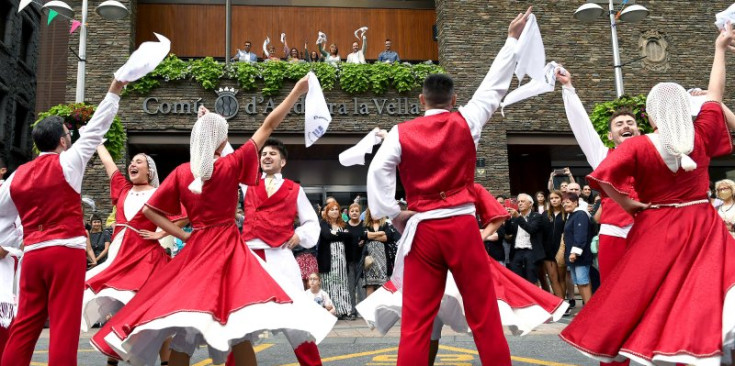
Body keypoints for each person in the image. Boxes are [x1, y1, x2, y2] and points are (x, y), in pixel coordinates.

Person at [92, 77, 334, 366]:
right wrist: (296, 91)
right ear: (220, 139)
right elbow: (268, 125)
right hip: (229, 252)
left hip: (196, 252)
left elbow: (149, 212)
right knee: (237, 328)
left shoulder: (183, 172)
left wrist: (183, 236)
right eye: (226, 133)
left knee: (186, 328)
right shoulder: (229, 166)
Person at [560, 23, 735, 365]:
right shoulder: (700, 137)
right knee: (701, 290)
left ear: (651, 118)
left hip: (657, 226)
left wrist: (628, 203)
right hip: (702, 224)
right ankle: (697, 345)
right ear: (686, 111)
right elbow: (714, 97)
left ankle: (649, 346)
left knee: (642, 295)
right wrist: (719, 49)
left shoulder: (638, 146)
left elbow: (600, 179)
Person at [365, 8, 531, 365]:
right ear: (453, 100)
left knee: (416, 323)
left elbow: (378, 170)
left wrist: (394, 213)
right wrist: (511, 39)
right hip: (461, 225)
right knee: (484, 316)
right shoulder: (467, 119)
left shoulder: (400, 132)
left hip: (423, 227)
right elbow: (495, 85)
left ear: (421, 100)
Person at [356, 181, 568, 365]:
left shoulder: (469, 188)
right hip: (430, 262)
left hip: (462, 262)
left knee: (480, 321)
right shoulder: (424, 190)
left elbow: (498, 215)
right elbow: (404, 220)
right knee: (429, 326)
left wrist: (480, 235)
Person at [0, 78, 126, 366]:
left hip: (32, 255)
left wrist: (11, 243)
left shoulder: (16, 176)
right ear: (61, 140)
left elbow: (1, 213)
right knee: (63, 326)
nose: (70, 137)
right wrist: (115, 88)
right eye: (68, 133)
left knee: (25, 325)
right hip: (65, 252)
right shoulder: (69, 161)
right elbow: (97, 127)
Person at [229, 137, 328, 366]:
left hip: (281, 257)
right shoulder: (248, 182)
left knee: (294, 319)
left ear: (283, 161)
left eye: (272, 154)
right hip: (251, 257)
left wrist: (299, 235)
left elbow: (312, 222)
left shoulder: (294, 189)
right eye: (263, 153)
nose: (266, 156)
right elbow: (232, 157)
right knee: (242, 318)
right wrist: (217, 132)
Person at [82, 143, 179, 365]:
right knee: (116, 307)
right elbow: (108, 164)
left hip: (147, 259)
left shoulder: (159, 193)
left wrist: (160, 233)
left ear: (149, 171)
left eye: (139, 162)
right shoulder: (122, 188)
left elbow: (183, 214)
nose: (133, 165)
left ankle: (165, 362)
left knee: (155, 312)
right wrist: (97, 140)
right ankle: (112, 359)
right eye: (132, 162)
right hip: (119, 257)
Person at [317, 201, 352, 318]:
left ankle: (343, 310)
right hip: (328, 259)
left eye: (337, 209)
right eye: (332, 209)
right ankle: (331, 310)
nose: (335, 211)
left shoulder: (343, 224)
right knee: (329, 283)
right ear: (327, 212)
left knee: (341, 284)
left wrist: (335, 233)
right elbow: (326, 235)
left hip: (341, 259)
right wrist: (340, 234)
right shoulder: (323, 223)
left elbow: (349, 236)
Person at [506, 193, 546, 284]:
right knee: (517, 280)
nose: (519, 203)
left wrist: (518, 217)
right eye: (518, 202)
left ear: (530, 204)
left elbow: (531, 229)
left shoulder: (537, 216)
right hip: (516, 252)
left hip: (531, 251)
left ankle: (533, 298)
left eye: (523, 201)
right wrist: (507, 218)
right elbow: (508, 232)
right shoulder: (514, 217)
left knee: (531, 279)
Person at [561, 193, 592, 305]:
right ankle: (587, 308)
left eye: (568, 202)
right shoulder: (572, 215)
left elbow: (580, 235)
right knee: (578, 282)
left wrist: (575, 252)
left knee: (583, 282)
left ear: (575, 202)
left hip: (580, 256)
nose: (565, 205)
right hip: (572, 256)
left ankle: (590, 308)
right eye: (563, 203)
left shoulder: (581, 214)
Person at [543, 190, 566, 301]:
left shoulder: (567, 213)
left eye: (556, 197)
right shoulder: (545, 214)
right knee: (553, 278)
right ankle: (561, 304)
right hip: (548, 251)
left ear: (561, 199)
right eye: (552, 198)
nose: (554, 200)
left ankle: (563, 302)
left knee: (562, 278)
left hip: (561, 250)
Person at [361, 209, 389, 296]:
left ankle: (380, 307)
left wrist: (370, 236)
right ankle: (369, 308)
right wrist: (380, 233)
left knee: (382, 284)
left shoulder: (385, 224)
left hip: (382, 258)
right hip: (369, 257)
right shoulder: (364, 224)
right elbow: (364, 235)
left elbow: (386, 238)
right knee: (370, 284)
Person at [344, 203, 365, 319]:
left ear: (359, 212)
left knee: (361, 287)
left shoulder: (364, 225)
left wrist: (363, 242)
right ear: (349, 213)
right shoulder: (345, 226)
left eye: (357, 211)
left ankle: (362, 311)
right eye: (352, 211)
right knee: (350, 286)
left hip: (361, 259)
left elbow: (367, 238)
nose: (354, 213)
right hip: (348, 260)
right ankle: (352, 311)